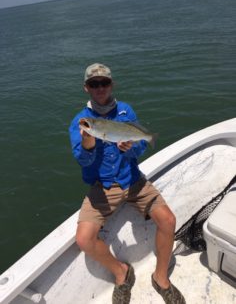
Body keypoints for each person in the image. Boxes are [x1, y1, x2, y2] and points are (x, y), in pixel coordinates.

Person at [69, 63, 185, 304]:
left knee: (168, 220)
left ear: (111, 85)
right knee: (84, 239)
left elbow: (140, 146)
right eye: (94, 84)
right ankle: (122, 273)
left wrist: (131, 148)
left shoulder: (125, 111)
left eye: (104, 83)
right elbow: (82, 159)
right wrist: (88, 146)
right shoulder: (81, 121)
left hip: (133, 180)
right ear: (86, 88)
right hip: (103, 186)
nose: (100, 88)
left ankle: (161, 278)